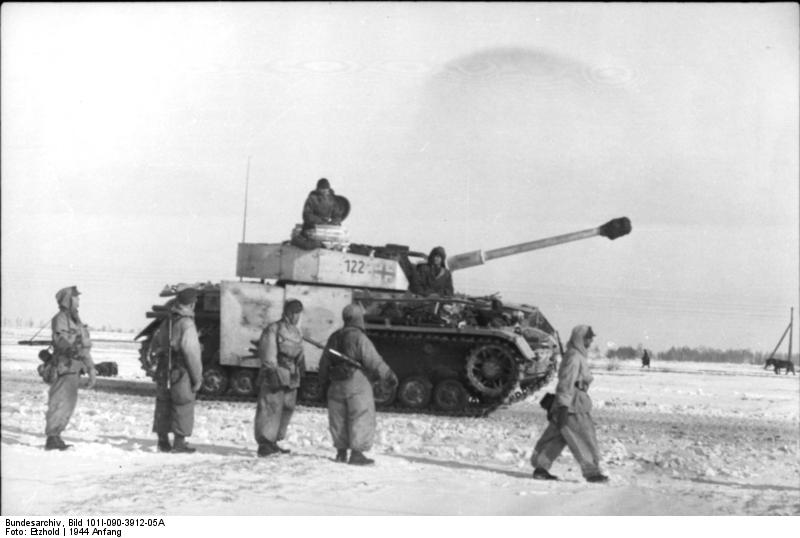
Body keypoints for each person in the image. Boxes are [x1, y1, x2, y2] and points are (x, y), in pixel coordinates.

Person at [318, 304, 397, 465]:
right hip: (356, 382)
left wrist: (323, 382)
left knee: (338, 417)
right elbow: (373, 360)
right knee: (360, 415)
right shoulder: (359, 338)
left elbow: (324, 363)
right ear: (358, 318)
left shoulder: (334, 336)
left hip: (336, 382)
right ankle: (357, 453)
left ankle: (341, 452)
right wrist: (388, 375)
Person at [530, 325, 609, 483]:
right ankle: (592, 472)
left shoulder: (577, 355)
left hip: (572, 402)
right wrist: (564, 407)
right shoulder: (574, 357)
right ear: (581, 338)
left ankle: (541, 467)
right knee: (584, 437)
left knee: (558, 437)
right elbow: (566, 383)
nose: (591, 340)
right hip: (572, 405)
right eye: (588, 337)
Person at [152, 287, 203, 454]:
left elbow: (156, 342)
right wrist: (197, 378)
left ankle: (162, 441)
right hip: (181, 370)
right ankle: (179, 443)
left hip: (165, 368)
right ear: (192, 303)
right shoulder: (187, 323)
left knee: (163, 403)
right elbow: (191, 352)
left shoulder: (168, 320)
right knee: (183, 403)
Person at [44, 286, 96, 450]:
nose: (79, 301)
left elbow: (85, 347)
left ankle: (56, 436)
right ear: (68, 300)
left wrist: (91, 369)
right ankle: (52, 437)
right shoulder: (60, 318)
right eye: (76, 298)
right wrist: (72, 348)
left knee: (68, 404)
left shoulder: (77, 322)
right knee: (59, 402)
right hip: (64, 366)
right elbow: (60, 339)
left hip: (74, 368)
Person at [253, 299, 306, 457]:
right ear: (288, 313)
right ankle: (265, 443)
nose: (296, 316)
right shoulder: (273, 329)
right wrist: (271, 371)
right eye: (295, 313)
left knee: (286, 409)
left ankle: (274, 441)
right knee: (270, 407)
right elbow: (268, 351)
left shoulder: (296, 332)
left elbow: (300, 353)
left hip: (291, 375)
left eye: (298, 313)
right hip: (277, 372)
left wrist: (301, 369)